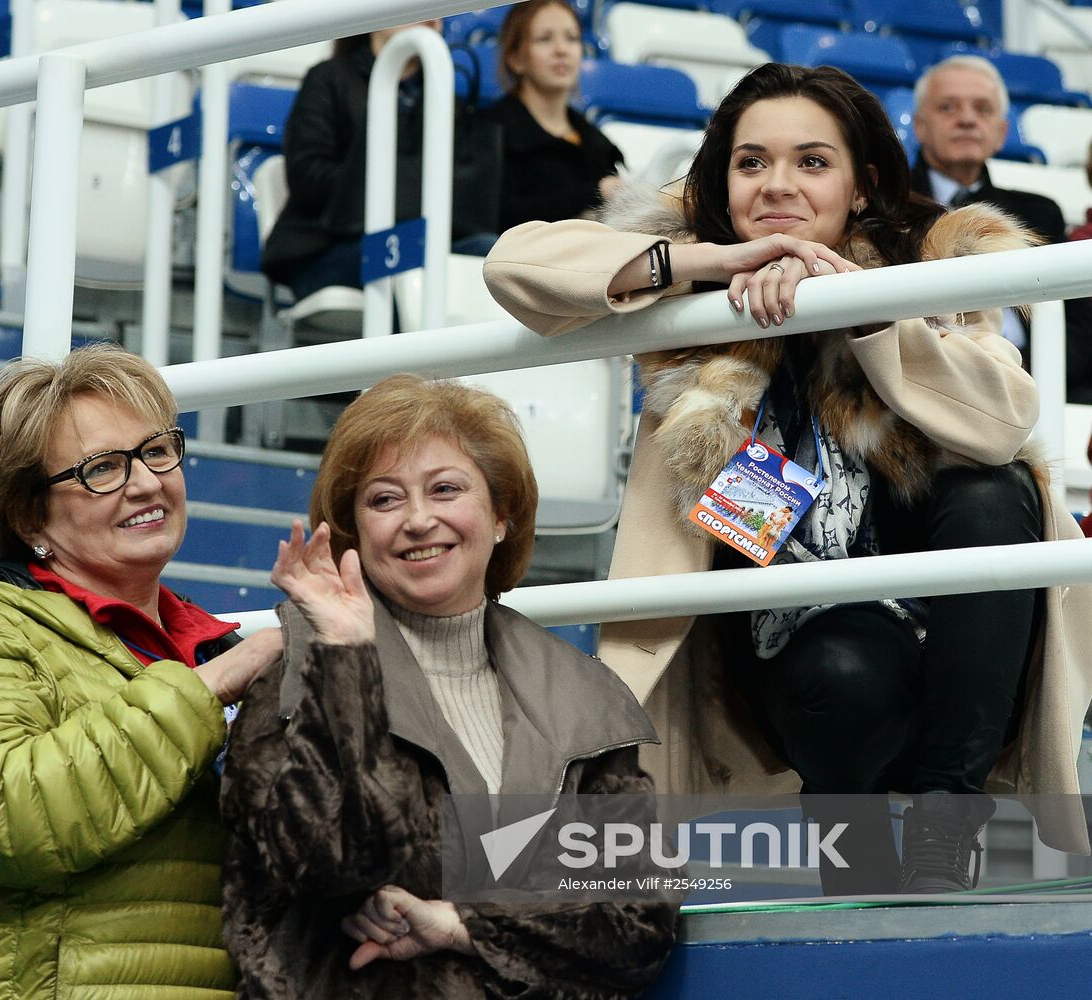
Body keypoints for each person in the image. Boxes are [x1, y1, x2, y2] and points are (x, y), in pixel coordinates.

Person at [484, 62, 1092, 895]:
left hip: (950, 628)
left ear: (861, 183)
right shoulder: (690, 273)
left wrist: (864, 312)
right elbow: (513, 266)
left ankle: (947, 826)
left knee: (993, 493)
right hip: (795, 635)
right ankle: (857, 854)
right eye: (751, 162)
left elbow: (1001, 424)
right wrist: (714, 262)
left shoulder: (928, 260)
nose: (778, 184)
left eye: (812, 161)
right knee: (845, 671)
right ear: (721, 182)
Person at [220, 374, 678, 997]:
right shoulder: (302, 670)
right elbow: (329, 863)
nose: (418, 519)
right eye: (385, 499)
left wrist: (463, 925)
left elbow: (639, 918)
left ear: (500, 515)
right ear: (354, 535)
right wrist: (347, 661)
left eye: (445, 489)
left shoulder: (581, 695)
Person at [0, 343, 283, 998]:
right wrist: (203, 693)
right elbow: (4, 816)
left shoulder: (211, 644)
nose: (146, 483)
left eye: (157, 451)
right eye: (103, 468)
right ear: (27, 513)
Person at [262, 22, 499, 303]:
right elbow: (307, 176)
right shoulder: (329, 78)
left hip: (420, 243)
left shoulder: (446, 100)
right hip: (326, 247)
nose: (428, 12)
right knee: (419, 257)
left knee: (495, 256)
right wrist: (393, 187)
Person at [910, 53, 1092, 392]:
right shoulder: (889, 209)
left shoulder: (1039, 214)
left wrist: (1025, 375)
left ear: (1001, 132)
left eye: (982, 109)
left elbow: (1079, 326)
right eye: (948, 107)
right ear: (919, 126)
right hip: (925, 384)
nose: (967, 119)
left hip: (1033, 382)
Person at [488, 0, 624, 232]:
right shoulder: (491, 131)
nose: (562, 50)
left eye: (572, 38)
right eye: (544, 39)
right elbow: (497, 218)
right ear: (515, 59)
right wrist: (595, 192)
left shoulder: (598, 144)